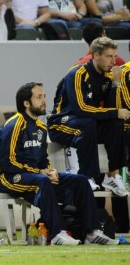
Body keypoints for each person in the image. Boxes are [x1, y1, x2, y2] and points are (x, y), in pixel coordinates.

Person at [0, 82, 118, 245]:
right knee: (43, 181)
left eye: (44, 96)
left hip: (35, 177)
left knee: (80, 181)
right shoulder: (14, 125)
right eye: (39, 97)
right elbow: (7, 162)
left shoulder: (41, 128)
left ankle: (91, 232)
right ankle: (57, 234)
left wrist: (49, 170)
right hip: (8, 178)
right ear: (26, 103)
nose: (44, 100)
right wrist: (39, 173)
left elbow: (42, 160)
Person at [47, 37, 130, 198]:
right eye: (109, 56)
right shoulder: (77, 73)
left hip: (86, 123)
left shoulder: (107, 76)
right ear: (96, 55)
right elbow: (81, 109)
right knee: (89, 122)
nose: (114, 61)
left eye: (114, 56)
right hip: (60, 123)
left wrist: (116, 84)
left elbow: (110, 107)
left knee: (116, 123)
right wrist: (115, 112)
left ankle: (112, 176)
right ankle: (87, 175)